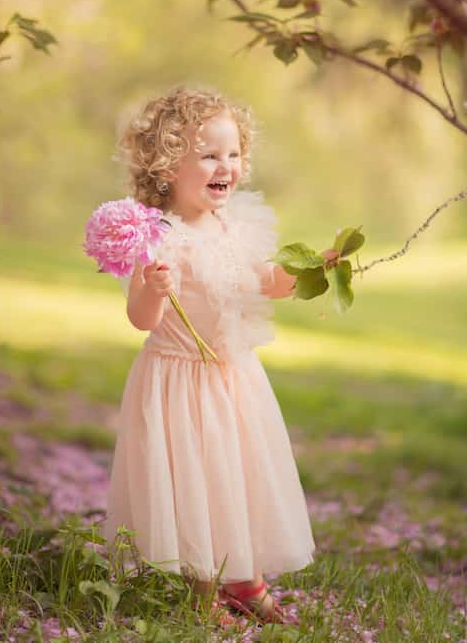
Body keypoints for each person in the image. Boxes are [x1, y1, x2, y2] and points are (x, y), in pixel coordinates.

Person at [102, 85, 317, 626]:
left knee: (238, 477)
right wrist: (153, 288)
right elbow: (141, 319)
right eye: (209, 155)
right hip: (178, 381)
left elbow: (266, 280)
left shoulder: (234, 224)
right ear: (167, 165)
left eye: (233, 154)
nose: (226, 166)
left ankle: (246, 580)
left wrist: (314, 272)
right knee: (195, 482)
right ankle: (201, 589)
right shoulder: (158, 236)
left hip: (234, 378)